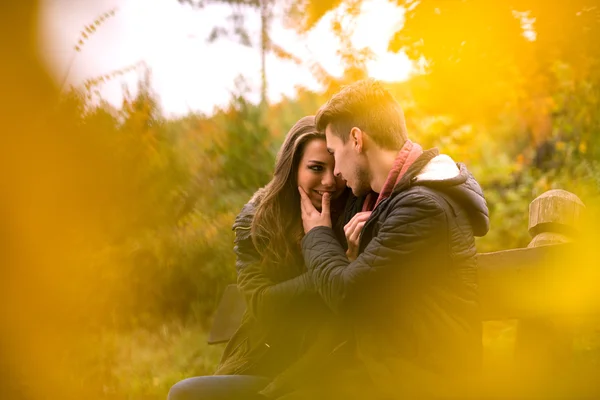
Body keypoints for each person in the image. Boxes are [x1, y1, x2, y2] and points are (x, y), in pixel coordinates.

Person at [297, 79, 490, 399]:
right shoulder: (396, 203)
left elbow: (349, 296)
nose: (336, 172)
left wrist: (317, 235)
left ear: (357, 139)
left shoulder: (422, 207)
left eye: (334, 152)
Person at [168, 116, 350, 400]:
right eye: (316, 168)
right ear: (292, 170)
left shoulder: (354, 213)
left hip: (326, 368)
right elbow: (262, 303)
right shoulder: (257, 222)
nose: (329, 181)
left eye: (336, 168)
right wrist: (331, 264)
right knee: (184, 394)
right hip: (266, 361)